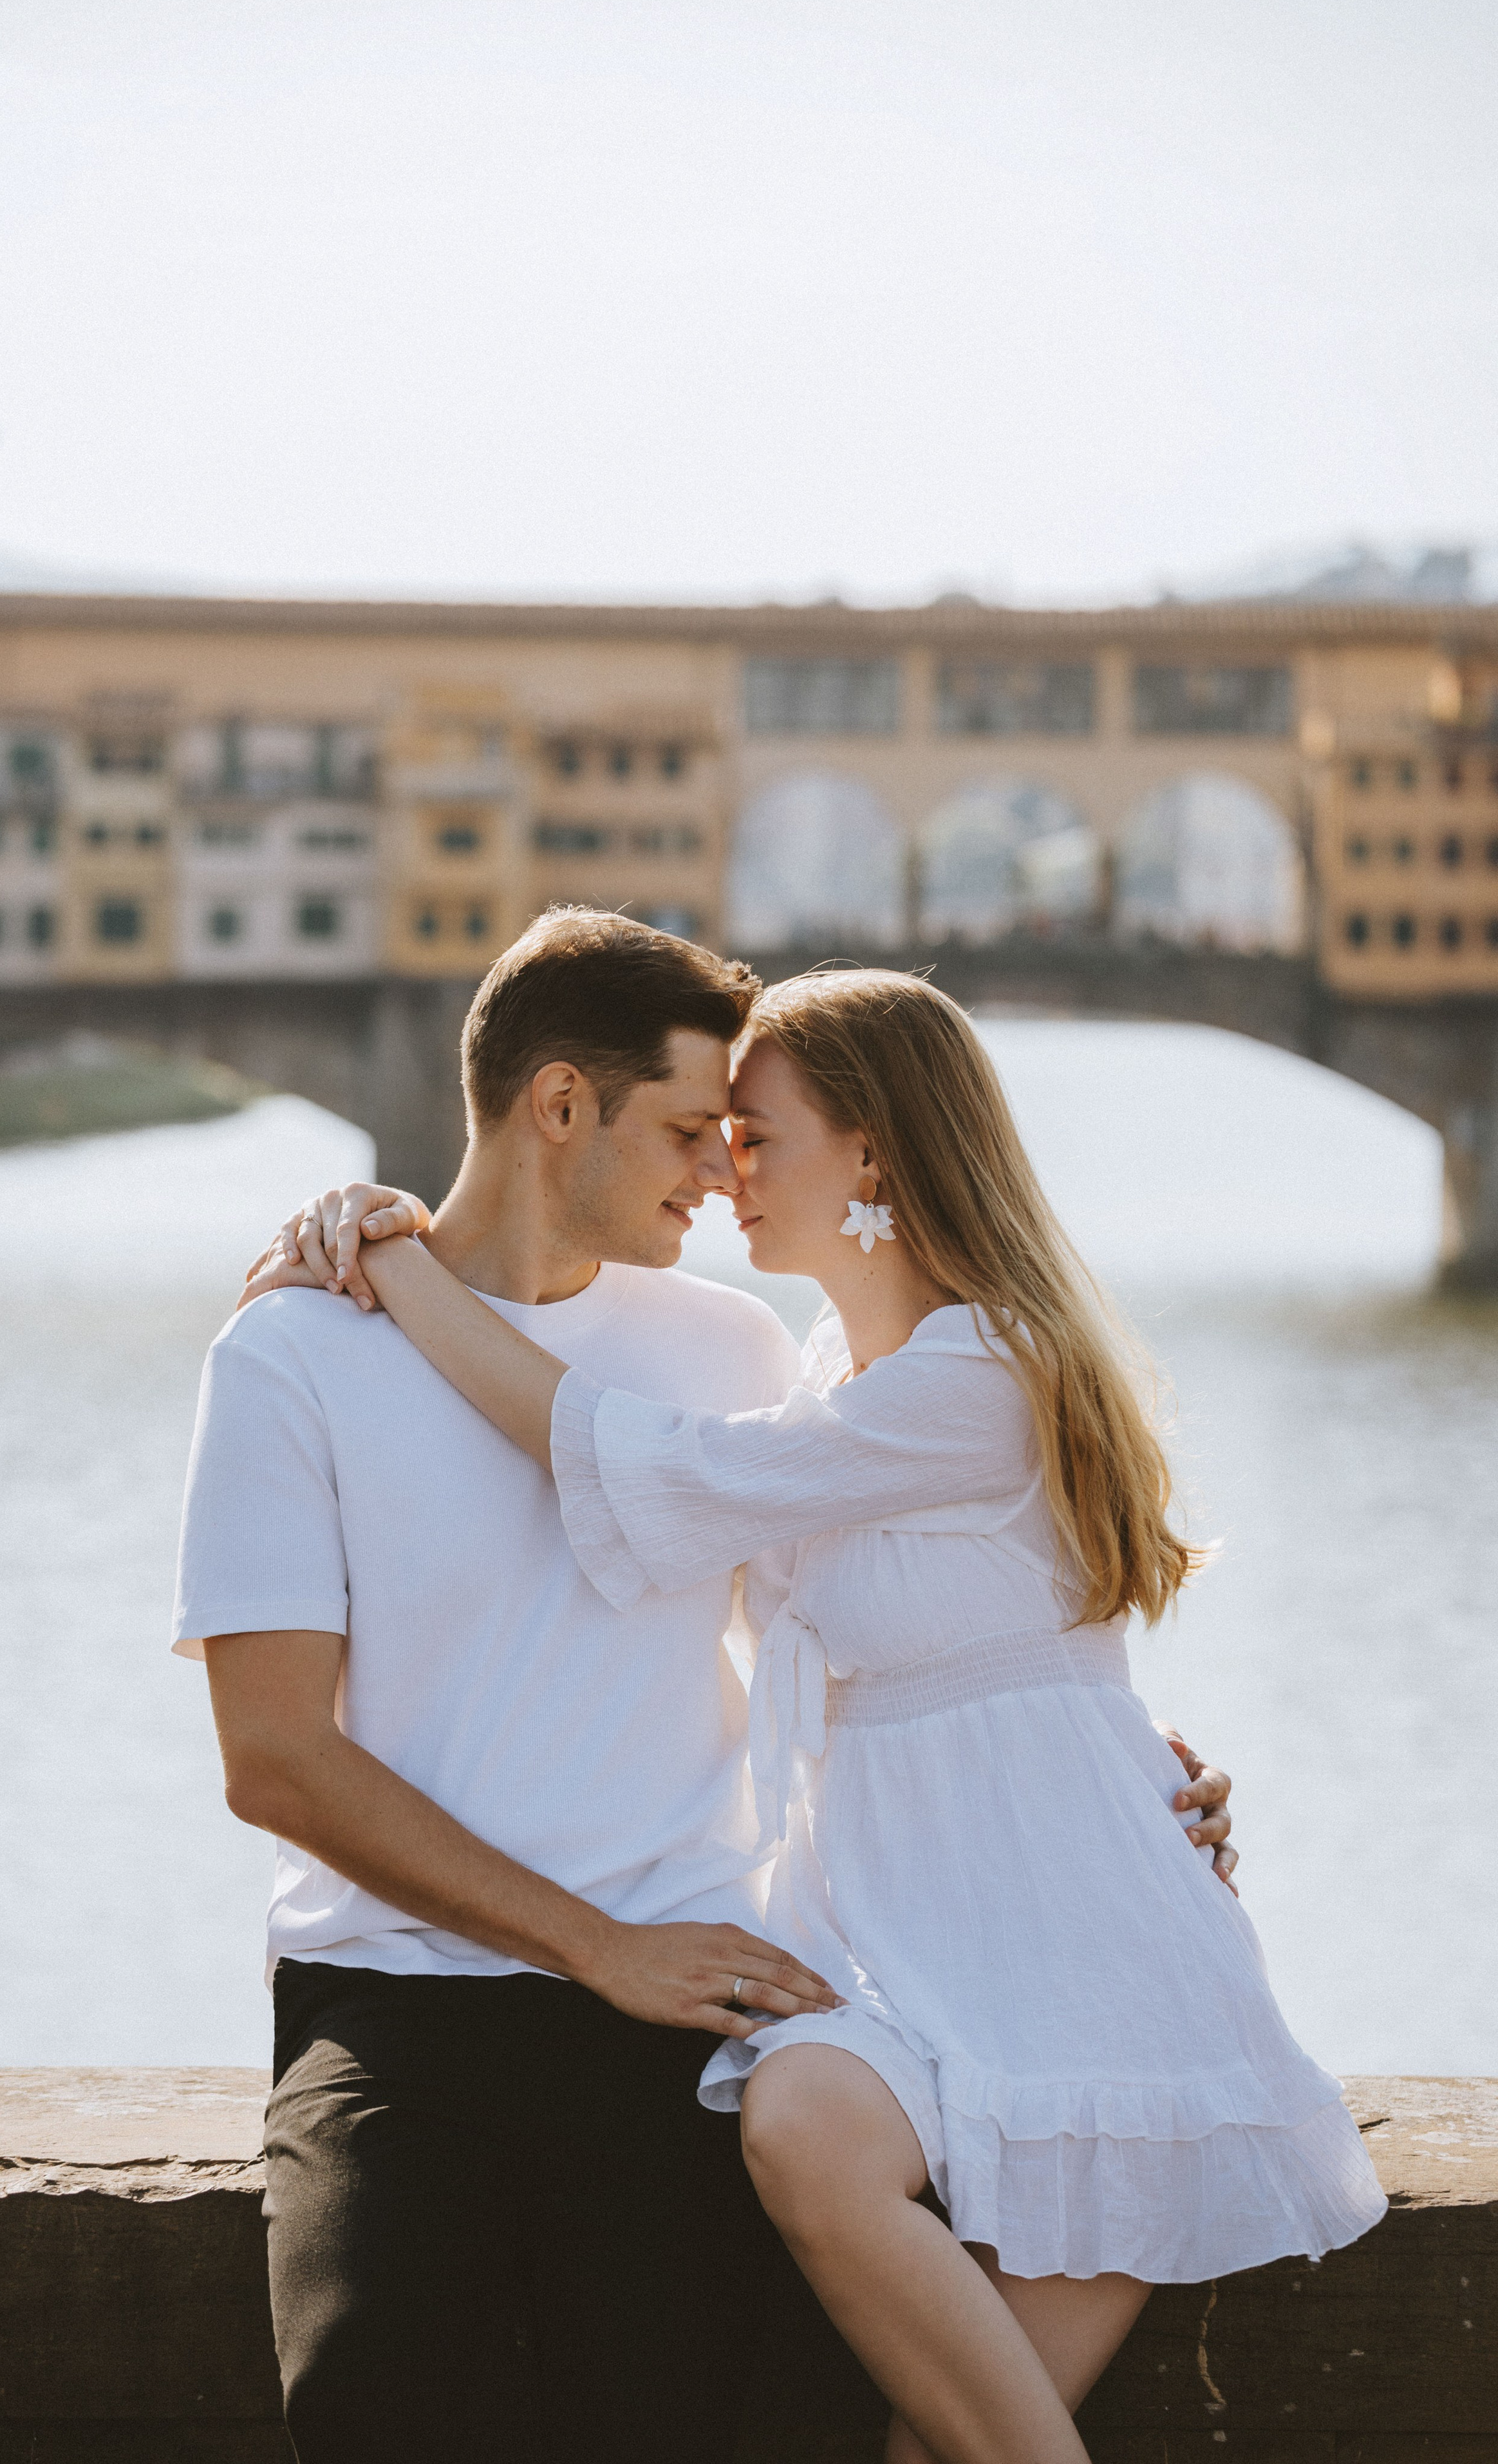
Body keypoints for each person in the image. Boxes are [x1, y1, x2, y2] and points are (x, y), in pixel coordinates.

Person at [252, 960, 1385, 2464]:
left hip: (1079, 1967)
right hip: (908, 1956)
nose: (724, 1169)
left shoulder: (982, 1369)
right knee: (799, 2128)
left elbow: (631, 1470)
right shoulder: (815, 1379)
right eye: (708, 1133)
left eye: (755, 1136)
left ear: (870, 1152)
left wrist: (395, 1267)